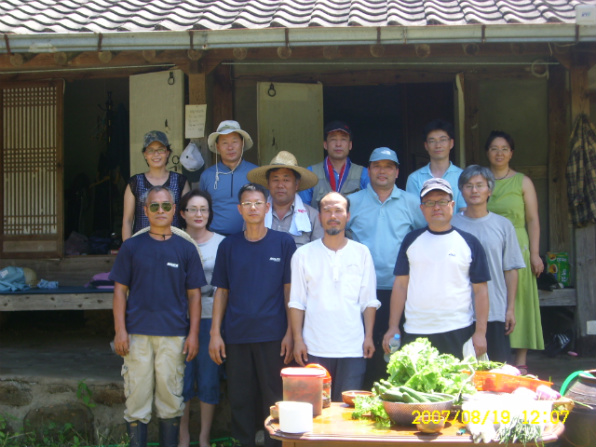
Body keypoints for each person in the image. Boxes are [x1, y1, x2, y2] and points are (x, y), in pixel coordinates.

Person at [111, 186, 206, 447]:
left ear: (175, 210)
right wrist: (120, 330)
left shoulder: (186, 248)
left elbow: (195, 296)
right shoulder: (131, 247)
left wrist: (194, 335)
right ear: (146, 211)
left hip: (174, 335)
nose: (161, 210)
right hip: (136, 335)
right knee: (136, 400)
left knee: (170, 401)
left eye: (166, 206)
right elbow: (119, 291)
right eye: (154, 206)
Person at [209, 183, 296, 447]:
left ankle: (275, 443)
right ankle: (242, 442)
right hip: (237, 335)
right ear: (240, 209)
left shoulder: (283, 242)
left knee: (275, 398)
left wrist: (292, 333)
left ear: (267, 207)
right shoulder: (228, 246)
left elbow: (290, 293)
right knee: (240, 398)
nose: (253, 208)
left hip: (273, 335)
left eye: (258, 203)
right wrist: (215, 333)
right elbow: (221, 291)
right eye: (247, 204)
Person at [383, 178, 490, 359]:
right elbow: (401, 285)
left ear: (452, 205)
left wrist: (480, 332)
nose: (436, 207)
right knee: (417, 386)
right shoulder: (411, 240)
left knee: (457, 386)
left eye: (442, 201)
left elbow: (481, 291)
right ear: (421, 208)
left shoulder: (470, 243)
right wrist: (393, 326)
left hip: (458, 329)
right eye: (429, 203)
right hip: (416, 329)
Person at [346, 147, 426, 387]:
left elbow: (425, 236)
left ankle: (397, 399)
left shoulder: (412, 203)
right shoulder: (352, 202)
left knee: (396, 348)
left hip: (400, 289)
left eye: (389, 166)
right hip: (361, 291)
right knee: (364, 347)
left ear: (397, 172)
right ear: (368, 170)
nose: (383, 171)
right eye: (377, 166)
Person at [289, 192, 379, 401]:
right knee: (317, 409)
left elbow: (369, 300)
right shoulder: (303, 254)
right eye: (327, 210)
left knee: (347, 410)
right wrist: (297, 339)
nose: (333, 215)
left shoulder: (362, 252)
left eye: (338, 210)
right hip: (314, 347)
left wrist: (368, 336)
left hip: (353, 348)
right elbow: (297, 302)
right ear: (319, 216)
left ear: (348, 215)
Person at [485, 131, 545, 373]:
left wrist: (535, 253)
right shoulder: (482, 180)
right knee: (491, 295)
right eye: (494, 148)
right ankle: (495, 354)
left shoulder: (523, 181)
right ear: (487, 152)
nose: (499, 153)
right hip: (489, 245)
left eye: (504, 148)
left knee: (520, 298)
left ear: (511, 153)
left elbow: (532, 219)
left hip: (518, 244)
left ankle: (520, 359)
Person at [452, 165, 525, 363]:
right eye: (468, 186)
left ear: (489, 190)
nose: (474, 191)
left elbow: (510, 270)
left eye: (479, 185)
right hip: (460, 312)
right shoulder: (452, 226)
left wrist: (510, 309)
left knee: (496, 372)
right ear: (461, 191)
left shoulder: (503, 226)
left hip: (495, 310)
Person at [177, 190, 225, 447]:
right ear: (182, 213)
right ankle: (183, 436)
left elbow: (225, 288)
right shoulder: (173, 241)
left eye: (204, 209)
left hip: (211, 319)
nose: (199, 214)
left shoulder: (222, 243)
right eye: (193, 209)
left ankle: (204, 437)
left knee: (208, 380)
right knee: (182, 381)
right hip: (178, 321)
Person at [122, 131, 190, 241]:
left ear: (167, 152)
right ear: (145, 154)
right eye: (150, 150)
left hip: (173, 245)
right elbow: (127, 220)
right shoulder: (135, 183)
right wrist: (127, 250)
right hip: (142, 246)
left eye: (160, 149)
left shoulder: (180, 181)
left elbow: (188, 218)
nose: (156, 154)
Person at [247, 150, 323, 247]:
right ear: (268, 184)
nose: (280, 185)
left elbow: (319, 254)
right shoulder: (254, 213)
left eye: (286, 180)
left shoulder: (312, 217)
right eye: (275, 180)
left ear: (296, 184)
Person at [199, 120, 258, 235]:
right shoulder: (207, 176)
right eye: (225, 143)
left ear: (242, 143)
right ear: (218, 147)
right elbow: (201, 210)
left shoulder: (255, 174)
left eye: (235, 142)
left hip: (249, 238)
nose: (230, 147)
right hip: (215, 239)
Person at [299, 120, 369, 209]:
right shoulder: (311, 173)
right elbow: (302, 211)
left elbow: (370, 210)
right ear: (325, 145)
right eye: (333, 139)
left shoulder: (363, 174)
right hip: (319, 223)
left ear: (350, 145)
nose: (338, 144)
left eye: (343, 139)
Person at [406, 119, 466, 212]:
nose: (438, 145)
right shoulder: (414, 179)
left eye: (443, 140)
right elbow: (415, 213)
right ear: (426, 145)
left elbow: (464, 212)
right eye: (432, 141)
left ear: (451, 143)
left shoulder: (463, 176)